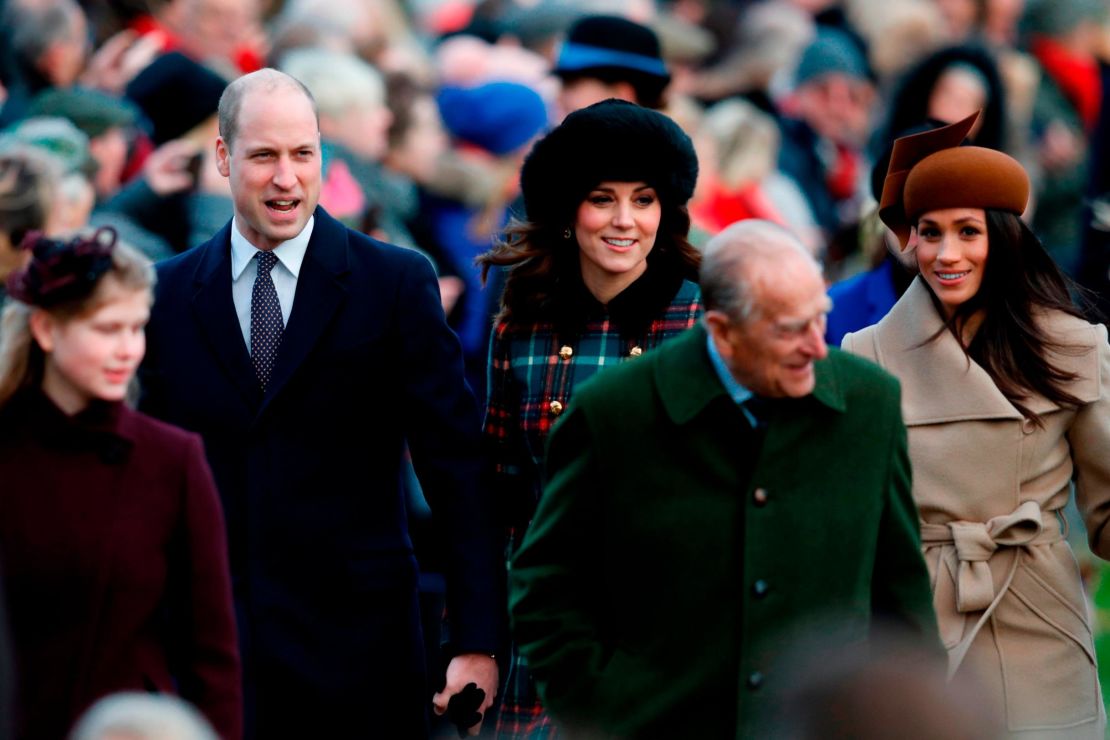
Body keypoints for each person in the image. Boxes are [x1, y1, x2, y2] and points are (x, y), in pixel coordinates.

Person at [137, 68, 500, 737]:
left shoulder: (393, 283)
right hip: (215, 651)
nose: (286, 178)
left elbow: (456, 467)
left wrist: (476, 638)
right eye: (264, 156)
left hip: (362, 650)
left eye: (303, 154)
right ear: (223, 157)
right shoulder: (166, 294)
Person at [509, 218, 940, 738]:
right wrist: (607, 708)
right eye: (788, 329)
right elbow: (547, 588)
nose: (816, 346)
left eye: (818, 318)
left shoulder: (869, 402)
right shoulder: (614, 412)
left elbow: (900, 591)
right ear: (722, 332)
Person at [842, 111, 1110, 735]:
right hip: (910, 629)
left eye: (968, 231)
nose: (946, 253)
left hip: (1037, 617)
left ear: (1004, 236)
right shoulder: (865, 355)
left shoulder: (1074, 347)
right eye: (929, 233)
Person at [478, 98, 704, 738]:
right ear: (567, 210)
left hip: (664, 624)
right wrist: (475, 638)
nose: (625, 221)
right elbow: (496, 492)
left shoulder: (709, 323)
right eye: (602, 198)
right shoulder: (521, 322)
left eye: (645, 199)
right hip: (541, 619)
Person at [0, 228, 241, 739]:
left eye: (137, 328)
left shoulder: (171, 459)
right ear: (46, 329)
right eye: (108, 329)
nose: (128, 350)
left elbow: (212, 654)